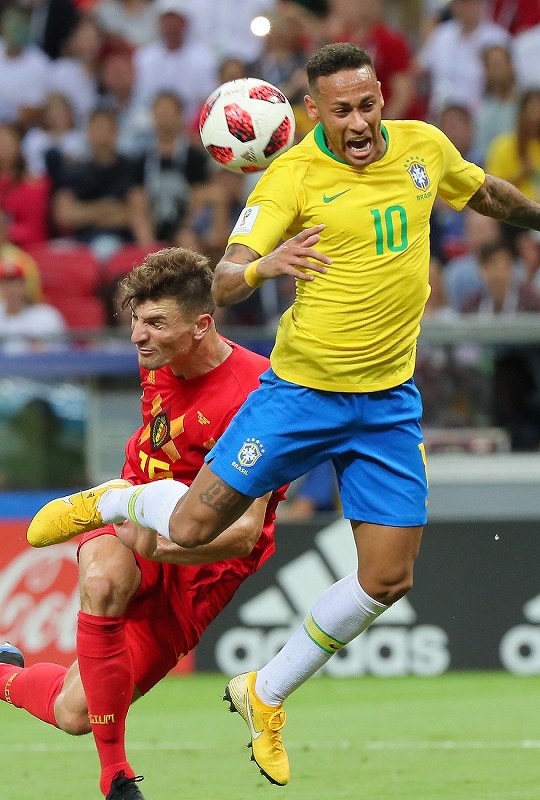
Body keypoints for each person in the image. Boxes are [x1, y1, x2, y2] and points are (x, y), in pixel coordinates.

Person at [26, 42, 540, 788]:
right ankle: (112, 499)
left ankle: (265, 691)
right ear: (310, 113)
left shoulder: (425, 147)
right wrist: (267, 265)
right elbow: (224, 278)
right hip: (299, 395)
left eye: (369, 105)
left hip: (388, 403)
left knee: (388, 580)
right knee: (197, 527)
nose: (359, 123)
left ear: (381, 96)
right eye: (342, 111)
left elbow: (486, 193)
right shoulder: (290, 176)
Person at [7, 247, 286, 799]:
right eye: (135, 318)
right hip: (129, 511)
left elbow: (246, 531)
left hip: (201, 562)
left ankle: (3, 673)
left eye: (156, 322)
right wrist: (135, 520)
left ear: (202, 325)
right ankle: (116, 779)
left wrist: (161, 548)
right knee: (104, 577)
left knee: (75, 711)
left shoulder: (258, 397)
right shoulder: (155, 359)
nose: (138, 335)